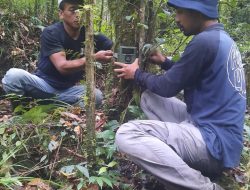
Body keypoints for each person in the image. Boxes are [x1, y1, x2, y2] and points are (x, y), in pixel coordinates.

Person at [114, 0, 246, 189]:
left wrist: (136, 74)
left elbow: (167, 87)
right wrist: (164, 62)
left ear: (197, 11)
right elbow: (188, 74)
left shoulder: (204, 41)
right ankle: (181, 157)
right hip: (219, 136)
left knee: (127, 134)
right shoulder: (221, 39)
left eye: (180, 12)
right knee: (149, 98)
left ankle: (205, 186)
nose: (176, 18)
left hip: (212, 143)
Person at [2, 0, 113, 107]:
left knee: (96, 96)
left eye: (81, 10)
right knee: (13, 76)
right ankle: (23, 110)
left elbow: (115, 48)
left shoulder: (89, 34)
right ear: (61, 14)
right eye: (72, 10)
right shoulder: (52, 32)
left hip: (68, 91)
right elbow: (62, 67)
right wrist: (93, 58)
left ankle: (52, 109)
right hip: (42, 85)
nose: (78, 14)